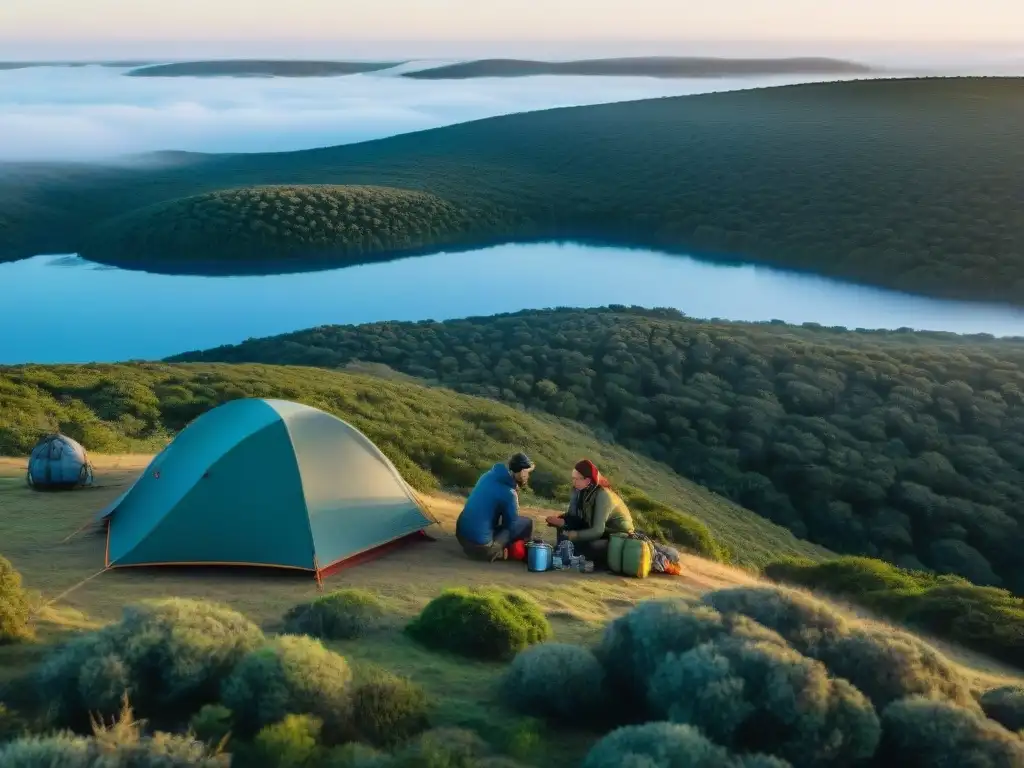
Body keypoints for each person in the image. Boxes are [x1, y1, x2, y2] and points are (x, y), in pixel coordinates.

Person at [546, 459, 634, 568]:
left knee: (589, 546)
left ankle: (575, 556)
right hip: (599, 530)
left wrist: (574, 535)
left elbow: (597, 531)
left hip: (616, 536)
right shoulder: (580, 491)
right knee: (564, 527)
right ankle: (566, 553)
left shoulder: (603, 495)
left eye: (576, 479)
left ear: (587, 480)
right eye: (573, 479)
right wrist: (562, 522)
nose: (573, 482)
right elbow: (575, 517)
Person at [455, 453, 536, 562]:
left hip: (462, 537)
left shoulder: (487, 476)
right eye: (527, 472)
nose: (528, 476)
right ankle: (507, 551)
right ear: (522, 472)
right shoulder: (509, 493)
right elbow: (511, 523)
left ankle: (485, 543)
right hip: (481, 547)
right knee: (525, 523)